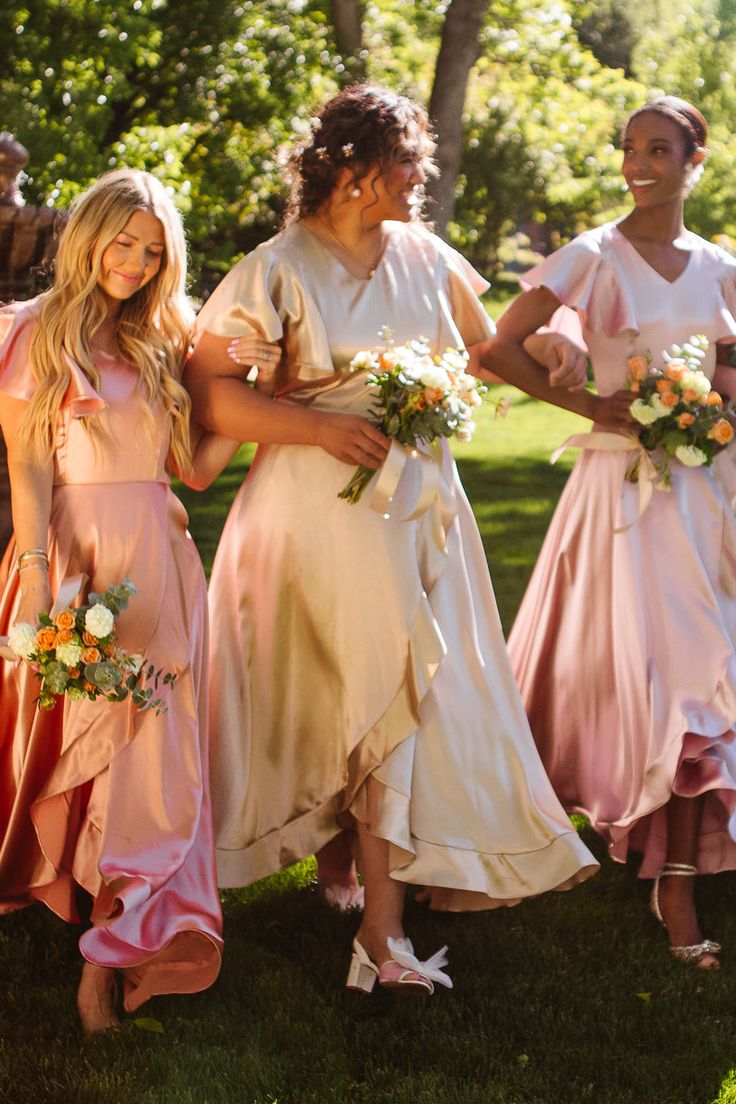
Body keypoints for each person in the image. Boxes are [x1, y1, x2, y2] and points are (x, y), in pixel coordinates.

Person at [186, 83, 597, 996]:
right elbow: (213, 397)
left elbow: (491, 354)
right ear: (359, 170)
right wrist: (325, 428)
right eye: (412, 159)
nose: (425, 176)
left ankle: (377, 916)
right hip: (313, 508)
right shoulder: (277, 266)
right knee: (355, 691)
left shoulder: (425, 256)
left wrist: (576, 363)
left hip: (418, 512)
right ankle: (373, 914)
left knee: (397, 692)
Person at [474, 97, 736, 969]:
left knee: (704, 679)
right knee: (669, 680)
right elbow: (496, 349)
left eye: (659, 149)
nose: (639, 163)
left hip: (708, 492)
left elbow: (729, 374)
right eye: (629, 148)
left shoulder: (720, 266)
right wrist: (596, 406)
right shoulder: (594, 253)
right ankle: (673, 881)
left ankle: (682, 864)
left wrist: (712, 407)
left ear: (695, 160)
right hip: (623, 494)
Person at [0, 169, 234, 1032]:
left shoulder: (165, 338)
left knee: (152, 753)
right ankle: (85, 906)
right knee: (83, 740)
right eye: (121, 243)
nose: (133, 264)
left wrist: (261, 394)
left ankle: (113, 949)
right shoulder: (32, 331)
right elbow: (26, 464)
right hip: (71, 554)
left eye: (151, 251)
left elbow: (197, 472)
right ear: (88, 235)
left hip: (161, 563)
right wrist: (35, 579)